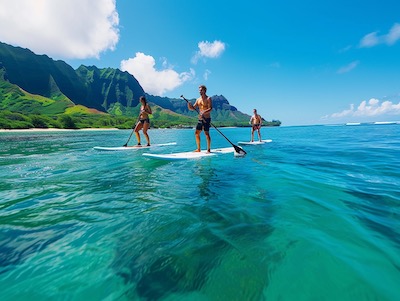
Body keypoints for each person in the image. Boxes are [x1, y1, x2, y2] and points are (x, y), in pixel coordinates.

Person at [187, 85, 212, 152]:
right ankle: (198, 149)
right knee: (197, 133)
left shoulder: (208, 98)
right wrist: (189, 105)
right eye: (199, 90)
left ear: (204, 91)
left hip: (206, 119)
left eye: (201, 90)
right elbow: (192, 108)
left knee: (206, 133)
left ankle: (208, 149)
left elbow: (210, 109)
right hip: (200, 119)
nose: (200, 91)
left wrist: (204, 112)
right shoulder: (198, 99)